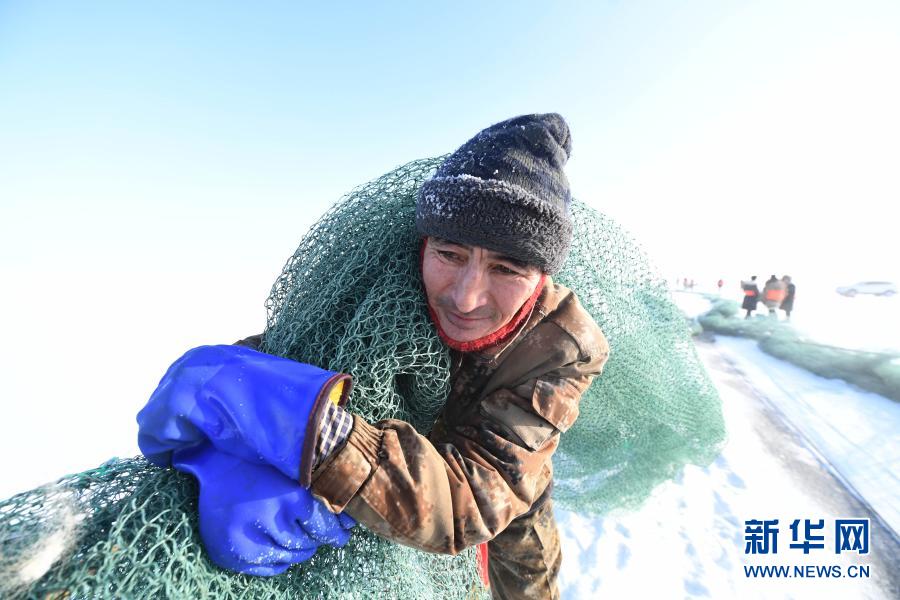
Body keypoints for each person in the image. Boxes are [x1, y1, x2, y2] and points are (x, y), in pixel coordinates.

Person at [139, 114, 609, 600]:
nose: (466, 298)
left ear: (541, 278)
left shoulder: (564, 348)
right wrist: (234, 406)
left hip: (500, 480)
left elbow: (469, 502)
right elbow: (303, 346)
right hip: (401, 457)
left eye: (506, 269)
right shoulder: (382, 269)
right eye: (449, 254)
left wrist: (315, 434)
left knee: (524, 571)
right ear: (424, 245)